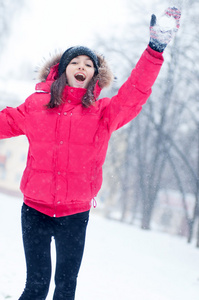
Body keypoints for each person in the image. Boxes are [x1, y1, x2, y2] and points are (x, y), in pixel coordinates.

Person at [0, 7, 181, 300]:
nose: (82, 66)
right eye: (76, 61)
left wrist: (155, 49)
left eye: (89, 63)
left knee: (65, 288)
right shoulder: (36, 107)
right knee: (35, 287)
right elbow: (3, 122)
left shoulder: (103, 114)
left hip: (74, 213)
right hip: (35, 210)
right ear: (62, 70)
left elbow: (135, 92)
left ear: (94, 75)